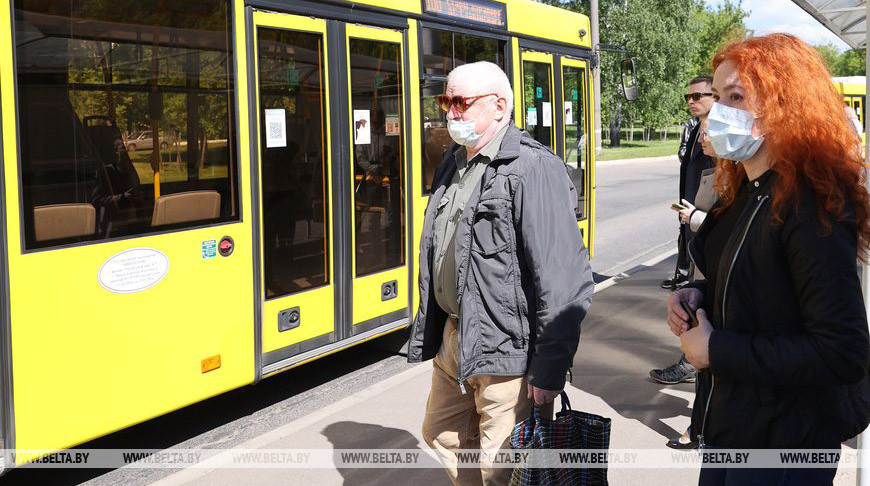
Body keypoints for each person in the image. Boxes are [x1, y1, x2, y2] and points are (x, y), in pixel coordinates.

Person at [668, 33, 870, 485]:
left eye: (735, 96)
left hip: (784, 447)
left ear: (784, 106)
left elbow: (842, 352)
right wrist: (696, 295)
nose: (718, 110)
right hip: (734, 427)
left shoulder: (811, 206)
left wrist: (717, 350)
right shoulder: (749, 190)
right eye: (717, 96)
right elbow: (762, 285)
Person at [407, 61, 594, 486]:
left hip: (509, 347)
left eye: (461, 102)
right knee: (441, 433)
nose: (450, 113)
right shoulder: (453, 164)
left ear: (499, 106)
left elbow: (565, 281)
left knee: (503, 466)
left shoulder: (531, 167)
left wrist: (548, 369)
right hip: (456, 338)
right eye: (445, 101)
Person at [662, 76, 716, 291]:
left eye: (697, 96)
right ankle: (684, 277)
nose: (691, 102)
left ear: (715, 97)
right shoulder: (695, 130)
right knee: (687, 242)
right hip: (690, 204)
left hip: (708, 213)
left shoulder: (721, 132)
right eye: (688, 97)